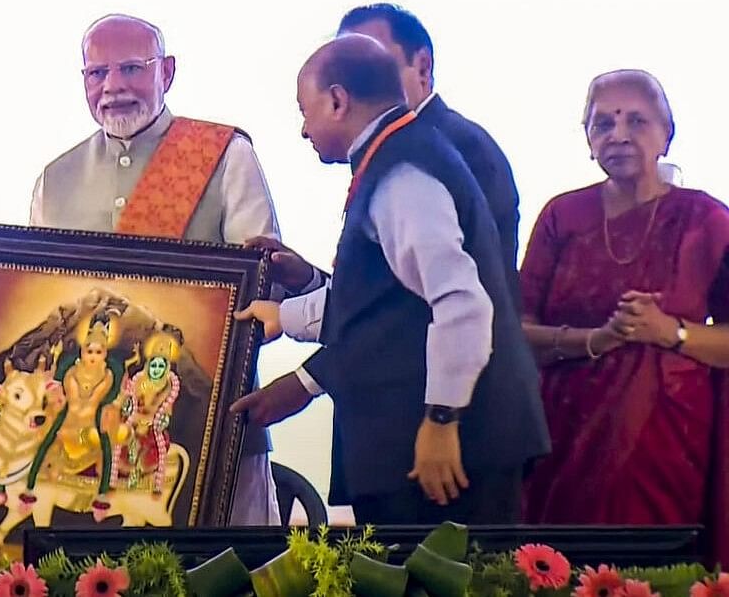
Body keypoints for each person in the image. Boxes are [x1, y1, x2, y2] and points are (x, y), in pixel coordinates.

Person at [0, 13, 287, 525]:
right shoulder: (55, 177)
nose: (113, 87)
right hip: (85, 442)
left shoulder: (224, 156)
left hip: (209, 422)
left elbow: (267, 293)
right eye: (97, 74)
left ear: (169, 72)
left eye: (132, 69)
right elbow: (42, 301)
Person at [233, 34, 549, 524]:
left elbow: (461, 303)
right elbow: (388, 299)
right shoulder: (395, 155)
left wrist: (442, 420)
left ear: (337, 100)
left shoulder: (403, 172)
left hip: (448, 450)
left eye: (305, 109)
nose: (302, 129)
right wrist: (284, 316)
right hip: (417, 446)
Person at [518, 69, 729, 567]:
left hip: (668, 443)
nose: (618, 134)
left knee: (659, 574)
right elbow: (514, 333)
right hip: (563, 437)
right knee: (561, 570)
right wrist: (596, 339)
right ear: (588, 139)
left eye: (636, 120)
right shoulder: (561, 217)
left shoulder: (708, 221)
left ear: (666, 132)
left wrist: (670, 332)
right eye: (602, 123)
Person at [252, 3, 520, 305]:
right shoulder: (393, 150)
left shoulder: (453, 149)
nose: (352, 86)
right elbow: (379, 301)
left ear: (422, 67)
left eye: (371, 64)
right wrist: (307, 280)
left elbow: (429, 309)